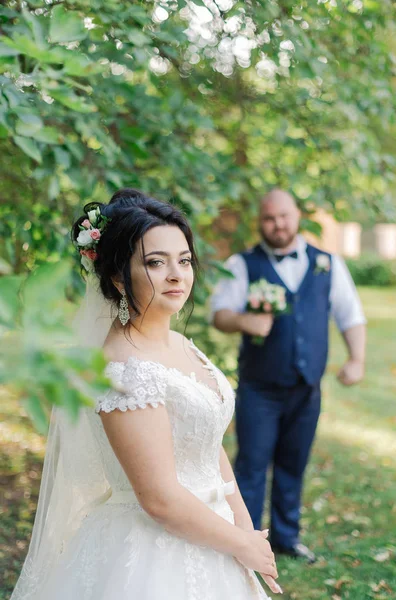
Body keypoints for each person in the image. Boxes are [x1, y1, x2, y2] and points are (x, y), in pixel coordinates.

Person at [11, 189, 282, 600]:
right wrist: (241, 545)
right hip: (154, 554)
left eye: (184, 260)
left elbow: (207, 443)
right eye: (156, 262)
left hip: (216, 532)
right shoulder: (124, 369)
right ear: (119, 277)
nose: (177, 275)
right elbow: (158, 498)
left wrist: (243, 530)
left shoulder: (181, 344)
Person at [211, 189, 366, 563]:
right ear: (259, 222)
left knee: (293, 463)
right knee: (251, 464)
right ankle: (245, 542)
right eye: (269, 218)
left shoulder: (327, 263)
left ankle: (285, 537)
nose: (277, 224)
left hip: (306, 388)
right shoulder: (242, 263)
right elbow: (219, 313)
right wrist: (244, 320)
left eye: (283, 216)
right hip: (259, 387)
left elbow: (350, 314)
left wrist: (356, 359)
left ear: (297, 216)